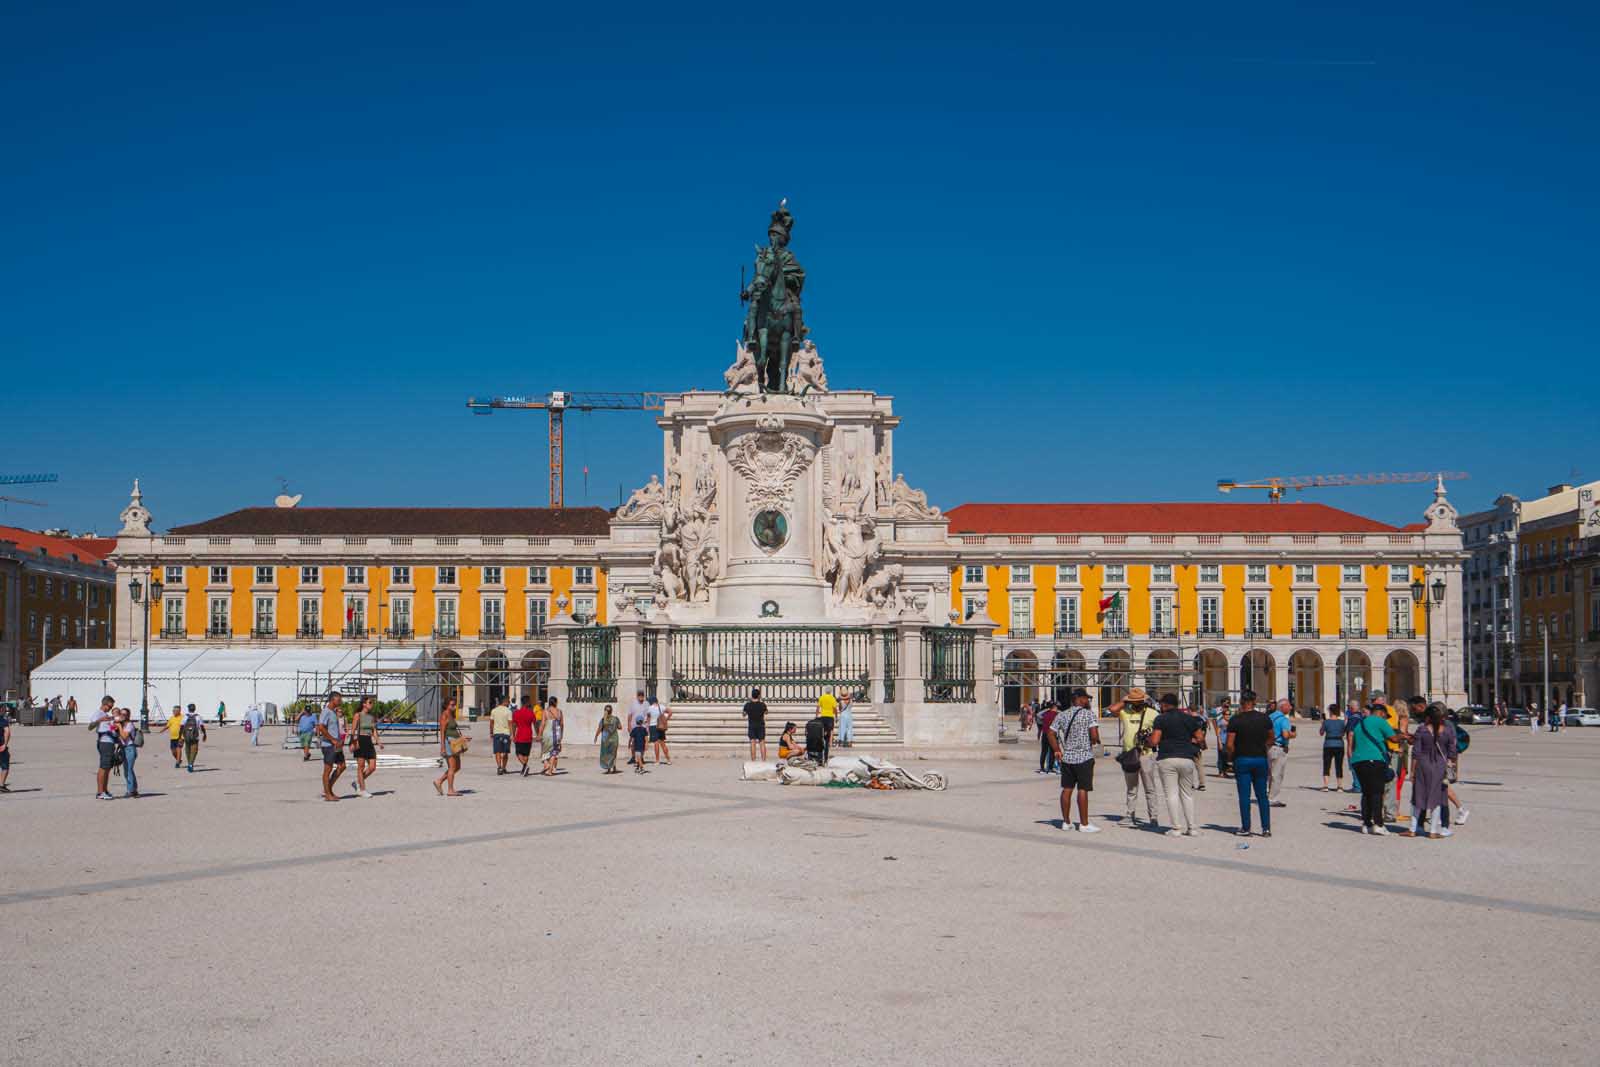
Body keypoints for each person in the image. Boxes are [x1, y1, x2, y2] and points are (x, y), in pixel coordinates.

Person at [1045, 687, 1101, 833]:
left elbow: (1050, 733)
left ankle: (1066, 822)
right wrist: (1094, 740)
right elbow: (1094, 736)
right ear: (1079, 699)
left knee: (1067, 789)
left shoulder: (1062, 715)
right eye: (1086, 698)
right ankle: (1084, 824)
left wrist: (1057, 749)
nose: (1087, 700)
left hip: (1068, 757)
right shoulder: (1089, 715)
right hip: (1084, 757)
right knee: (1083, 789)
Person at [1149, 693, 1205, 836]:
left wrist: (1148, 740)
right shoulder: (1189, 718)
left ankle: (1176, 828)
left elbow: (1154, 741)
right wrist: (1188, 741)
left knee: (1171, 795)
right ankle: (1192, 828)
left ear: (1165, 705)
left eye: (1161, 704)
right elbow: (1200, 737)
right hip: (1186, 758)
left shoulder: (1160, 719)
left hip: (1167, 758)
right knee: (1187, 794)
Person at [1402, 703, 1458, 838]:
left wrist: (1412, 772)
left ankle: (1413, 829)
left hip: (1423, 764)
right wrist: (1452, 769)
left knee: (1418, 797)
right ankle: (1433, 831)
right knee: (1437, 799)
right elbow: (1452, 753)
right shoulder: (1448, 731)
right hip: (1440, 766)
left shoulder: (1421, 730)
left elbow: (1416, 753)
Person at [1109, 688, 1161, 828]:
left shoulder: (1153, 713)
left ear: (1142, 701)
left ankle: (1153, 817)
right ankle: (1130, 815)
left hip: (1146, 754)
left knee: (1149, 788)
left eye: (1136, 701)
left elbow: (1159, 732)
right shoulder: (1125, 712)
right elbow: (1112, 709)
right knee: (1131, 788)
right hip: (1129, 754)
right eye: (1132, 701)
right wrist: (1124, 700)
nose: (1134, 703)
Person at [1226, 690, 1273, 837]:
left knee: (1244, 796)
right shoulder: (1264, 718)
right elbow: (1272, 738)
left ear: (1241, 702)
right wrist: (1263, 747)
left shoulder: (1235, 720)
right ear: (1254, 702)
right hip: (1260, 758)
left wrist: (1231, 756)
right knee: (1262, 796)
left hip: (1242, 759)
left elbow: (1229, 744)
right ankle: (1266, 828)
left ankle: (1246, 828)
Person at [1348, 698, 1395, 835]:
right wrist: (1404, 737)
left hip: (1358, 761)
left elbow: (1354, 741)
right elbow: (1393, 738)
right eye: (1385, 716)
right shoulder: (1380, 721)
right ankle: (1379, 824)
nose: (1386, 719)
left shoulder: (1360, 724)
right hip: (1374, 760)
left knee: (1366, 793)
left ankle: (1366, 824)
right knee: (1377, 793)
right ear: (1380, 713)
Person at [1376, 693, 1410, 824]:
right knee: (1397, 779)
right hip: (1399, 748)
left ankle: (1385, 809)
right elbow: (1401, 734)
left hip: (1386, 748)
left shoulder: (1388, 718)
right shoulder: (1403, 719)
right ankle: (1394, 811)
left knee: (1387, 780)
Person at [315, 691, 347, 801]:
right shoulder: (326, 712)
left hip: (336, 745)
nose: (340, 701)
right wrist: (332, 739)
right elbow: (321, 727)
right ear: (332, 700)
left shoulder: (333, 712)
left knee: (342, 766)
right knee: (327, 770)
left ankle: (328, 789)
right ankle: (328, 794)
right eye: (339, 699)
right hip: (328, 745)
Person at [351, 694, 382, 797]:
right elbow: (353, 730)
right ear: (364, 704)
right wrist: (353, 742)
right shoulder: (358, 715)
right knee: (361, 766)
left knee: (372, 767)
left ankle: (358, 782)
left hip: (368, 741)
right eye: (370, 702)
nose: (371, 704)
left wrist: (378, 741)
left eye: (372, 703)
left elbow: (374, 730)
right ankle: (362, 789)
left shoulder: (371, 717)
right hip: (360, 739)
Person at [1267, 698, 1297, 806]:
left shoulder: (1270, 716)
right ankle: (1272, 798)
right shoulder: (1284, 719)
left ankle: (1268, 794)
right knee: (1277, 774)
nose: (1290, 708)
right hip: (1279, 748)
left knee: (1270, 774)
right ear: (1282, 707)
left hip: (1269, 747)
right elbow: (1285, 734)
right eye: (1289, 706)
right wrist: (1293, 734)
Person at [433, 697, 464, 796]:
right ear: (446, 705)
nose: (454, 706)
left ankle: (439, 781)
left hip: (455, 743)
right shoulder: (444, 715)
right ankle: (450, 790)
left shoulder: (451, 715)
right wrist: (442, 747)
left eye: (454, 704)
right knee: (452, 767)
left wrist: (463, 738)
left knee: (457, 767)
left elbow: (454, 730)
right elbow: (442, 732)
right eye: (452, 705)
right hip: (448, 743)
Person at [1319, 704, 1347, 792]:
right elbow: (1343, 733)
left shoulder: (1326, 722)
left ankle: (1326, 786)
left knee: (1327, 765)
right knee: (1339, 765)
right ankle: (1340, 786)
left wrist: (1322, 723)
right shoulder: (1342, 722)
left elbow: (1321, 733)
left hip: (1328, 744)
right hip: (1339, 744)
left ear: (1330, 711)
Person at [117, 708, 142, 798]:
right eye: (121, 714)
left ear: (128, 716)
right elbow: (111, 731)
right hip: (123, 749)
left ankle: (131, 790)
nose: (122, 715)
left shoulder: (129, 725)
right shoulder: (121, 725)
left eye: (125, 714)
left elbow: (124, 736)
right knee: (127, 770)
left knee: (129, 770)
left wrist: (119, 726)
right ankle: (133, 790)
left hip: (130, 749)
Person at [512, 696, 538, 776]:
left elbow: (514, 725)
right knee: (526, 754)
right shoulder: (531, 713)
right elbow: (535, 724)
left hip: (519, 736)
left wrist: (513, 735)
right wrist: (538, 734)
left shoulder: (516, 713)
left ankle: (525, 766)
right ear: (528, 703)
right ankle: (524, 769)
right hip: (528, 736)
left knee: (518, 753)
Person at [488, 697, 513, 775]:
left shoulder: (494, 711)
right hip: (506, 734)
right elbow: (510, 724)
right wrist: (512, 734)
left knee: (497, 751)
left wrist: (491, 732)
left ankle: (499, 767)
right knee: (505, 751)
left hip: (497, 734)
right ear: (505, 702)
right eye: (508, 702)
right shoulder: (508, 711)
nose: (509, 703)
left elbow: (491, 723)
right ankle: (504, 767)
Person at [1209, 697, 1232, 779]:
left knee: (1227, 755)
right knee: (1221, 754)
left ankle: (1225, 770)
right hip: (1220, 733)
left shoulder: (1230, 711)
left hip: (1228, 735)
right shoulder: (1216, 710)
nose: (1227, 704)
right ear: (1222, 703)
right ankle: (1221, 771)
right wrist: (1216, 732)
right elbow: (1213, 721)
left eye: (1228, 703)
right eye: (1226, 702)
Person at [743, 688, 769, 760]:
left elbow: (744, 714)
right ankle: (763, 760)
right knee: (762, 742)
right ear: (759, 696)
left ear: (752, 695)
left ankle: (753, 760)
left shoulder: (748, 705)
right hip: (760, 725)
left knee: (752, 743)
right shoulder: (762, 704)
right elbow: (766, 712)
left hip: (752, 725)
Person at [540, 696, 564, 776]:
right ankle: (550, 771)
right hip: (556, 734)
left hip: (547, 734)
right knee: (554, 753)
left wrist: (539, 734)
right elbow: (562, 724)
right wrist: (561, 735)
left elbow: (543, 724)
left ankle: (546, 764)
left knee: (544, 750)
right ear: (555, 702)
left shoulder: (545, 712)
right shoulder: (560, 712)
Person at [180, 705, 207, 773]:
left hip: (186, 736)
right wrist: (204, 734)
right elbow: (202, 726)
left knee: (187, 749)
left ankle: (189, 763)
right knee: (194, 750)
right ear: (195, 709)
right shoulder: (198, 717)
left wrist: (180, 736)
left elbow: (181, 727)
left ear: (188, 709)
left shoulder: (185, 716)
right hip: (195, 736)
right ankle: (191, 764)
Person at [595, 705, 621, 773]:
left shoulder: (603, 719)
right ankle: (614, 767)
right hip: (614, 738)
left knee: (606, 753)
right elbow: (620, 727)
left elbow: (599, 729)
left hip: (605, 739)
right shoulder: (615, 719)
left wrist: (596, 736)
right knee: (613, 753)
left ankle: (608, 768)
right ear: (611, 711)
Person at [1036, 702, 1060, 774]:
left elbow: (1038, 715)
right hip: (1052, 735)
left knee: (1044, 751)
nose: (1057, 708)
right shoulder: (1057, 715)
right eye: (1056, 707)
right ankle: (1050, 768)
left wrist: (1047, 709)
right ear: (1054, 707)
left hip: (1045, 734)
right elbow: (1063, 714)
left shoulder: (1045, 714)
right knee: (1052, 751)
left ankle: (1042, 768)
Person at [628, 701, 649, 773]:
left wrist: (630, 744)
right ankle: (637, 768)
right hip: (642, 746)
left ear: (636, 722)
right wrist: (646, 745)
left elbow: (632, 738)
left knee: (638, 758)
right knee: (640, 757)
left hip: (637, 747)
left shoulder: (634, 730)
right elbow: (646, 738)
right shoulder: (644, 729)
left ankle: (642, 768)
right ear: (642, 721)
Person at [646, 696, 664, 765]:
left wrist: (647, 726)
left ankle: (657, 760)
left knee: (656, 743)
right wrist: (666, 719)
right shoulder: (661, 707)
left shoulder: (650, 708)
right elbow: (670, 712)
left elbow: (648, 718)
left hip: (653, 726)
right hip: (661, 726)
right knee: (662, 743)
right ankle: (668, 760)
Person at [0, 702, 12, 793]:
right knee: (5, 767)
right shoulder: (2, 720)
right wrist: (5, 744)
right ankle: (1, 785)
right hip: (1, 747)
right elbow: (7, 732)